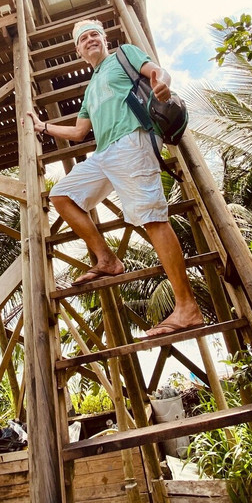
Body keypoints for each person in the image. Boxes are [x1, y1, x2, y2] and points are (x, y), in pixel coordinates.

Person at [26, 19, 204, 338]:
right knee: (62, 195)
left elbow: (156, 71)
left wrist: (162, 82)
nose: (90, 40)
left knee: (152, 219)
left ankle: (187, 308)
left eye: (95, 34)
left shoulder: (124, 55)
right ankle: (106, 258)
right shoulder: (91, 87)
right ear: (78, 50)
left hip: (133, 141)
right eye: (84, 39)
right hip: (105, 152)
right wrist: (43, 128)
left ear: (104, 40)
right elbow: (80, 132)